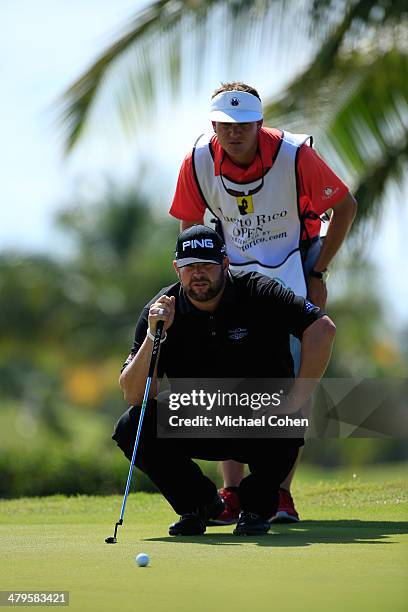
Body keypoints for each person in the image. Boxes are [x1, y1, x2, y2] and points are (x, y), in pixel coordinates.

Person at [169, 82, 356, 524]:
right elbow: (187, 227)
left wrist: (318, 271)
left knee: (292, 381)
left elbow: (344, 206)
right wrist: (195, 285)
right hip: (230, 281)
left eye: (244, 125)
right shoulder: (197, 161)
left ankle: (278, 493)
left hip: (291, 269)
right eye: (226, 125)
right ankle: (232, 492)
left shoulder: (295, 156)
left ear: (259, 123)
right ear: (214, 124)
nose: (234, 133)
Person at [112, 225, 336, 536]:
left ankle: (256, 508)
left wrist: (296, 399)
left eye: (206, 264)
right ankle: (201, 505)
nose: (198, 273)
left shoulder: (259, 291)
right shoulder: (161, 310)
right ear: (177, 269)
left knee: (290, 417)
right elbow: (135, 395)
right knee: (131, 425)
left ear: (225, 263)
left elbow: (322, 329)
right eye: (190, 266)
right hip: (199, 417)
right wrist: (154, 335)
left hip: (260, 420)